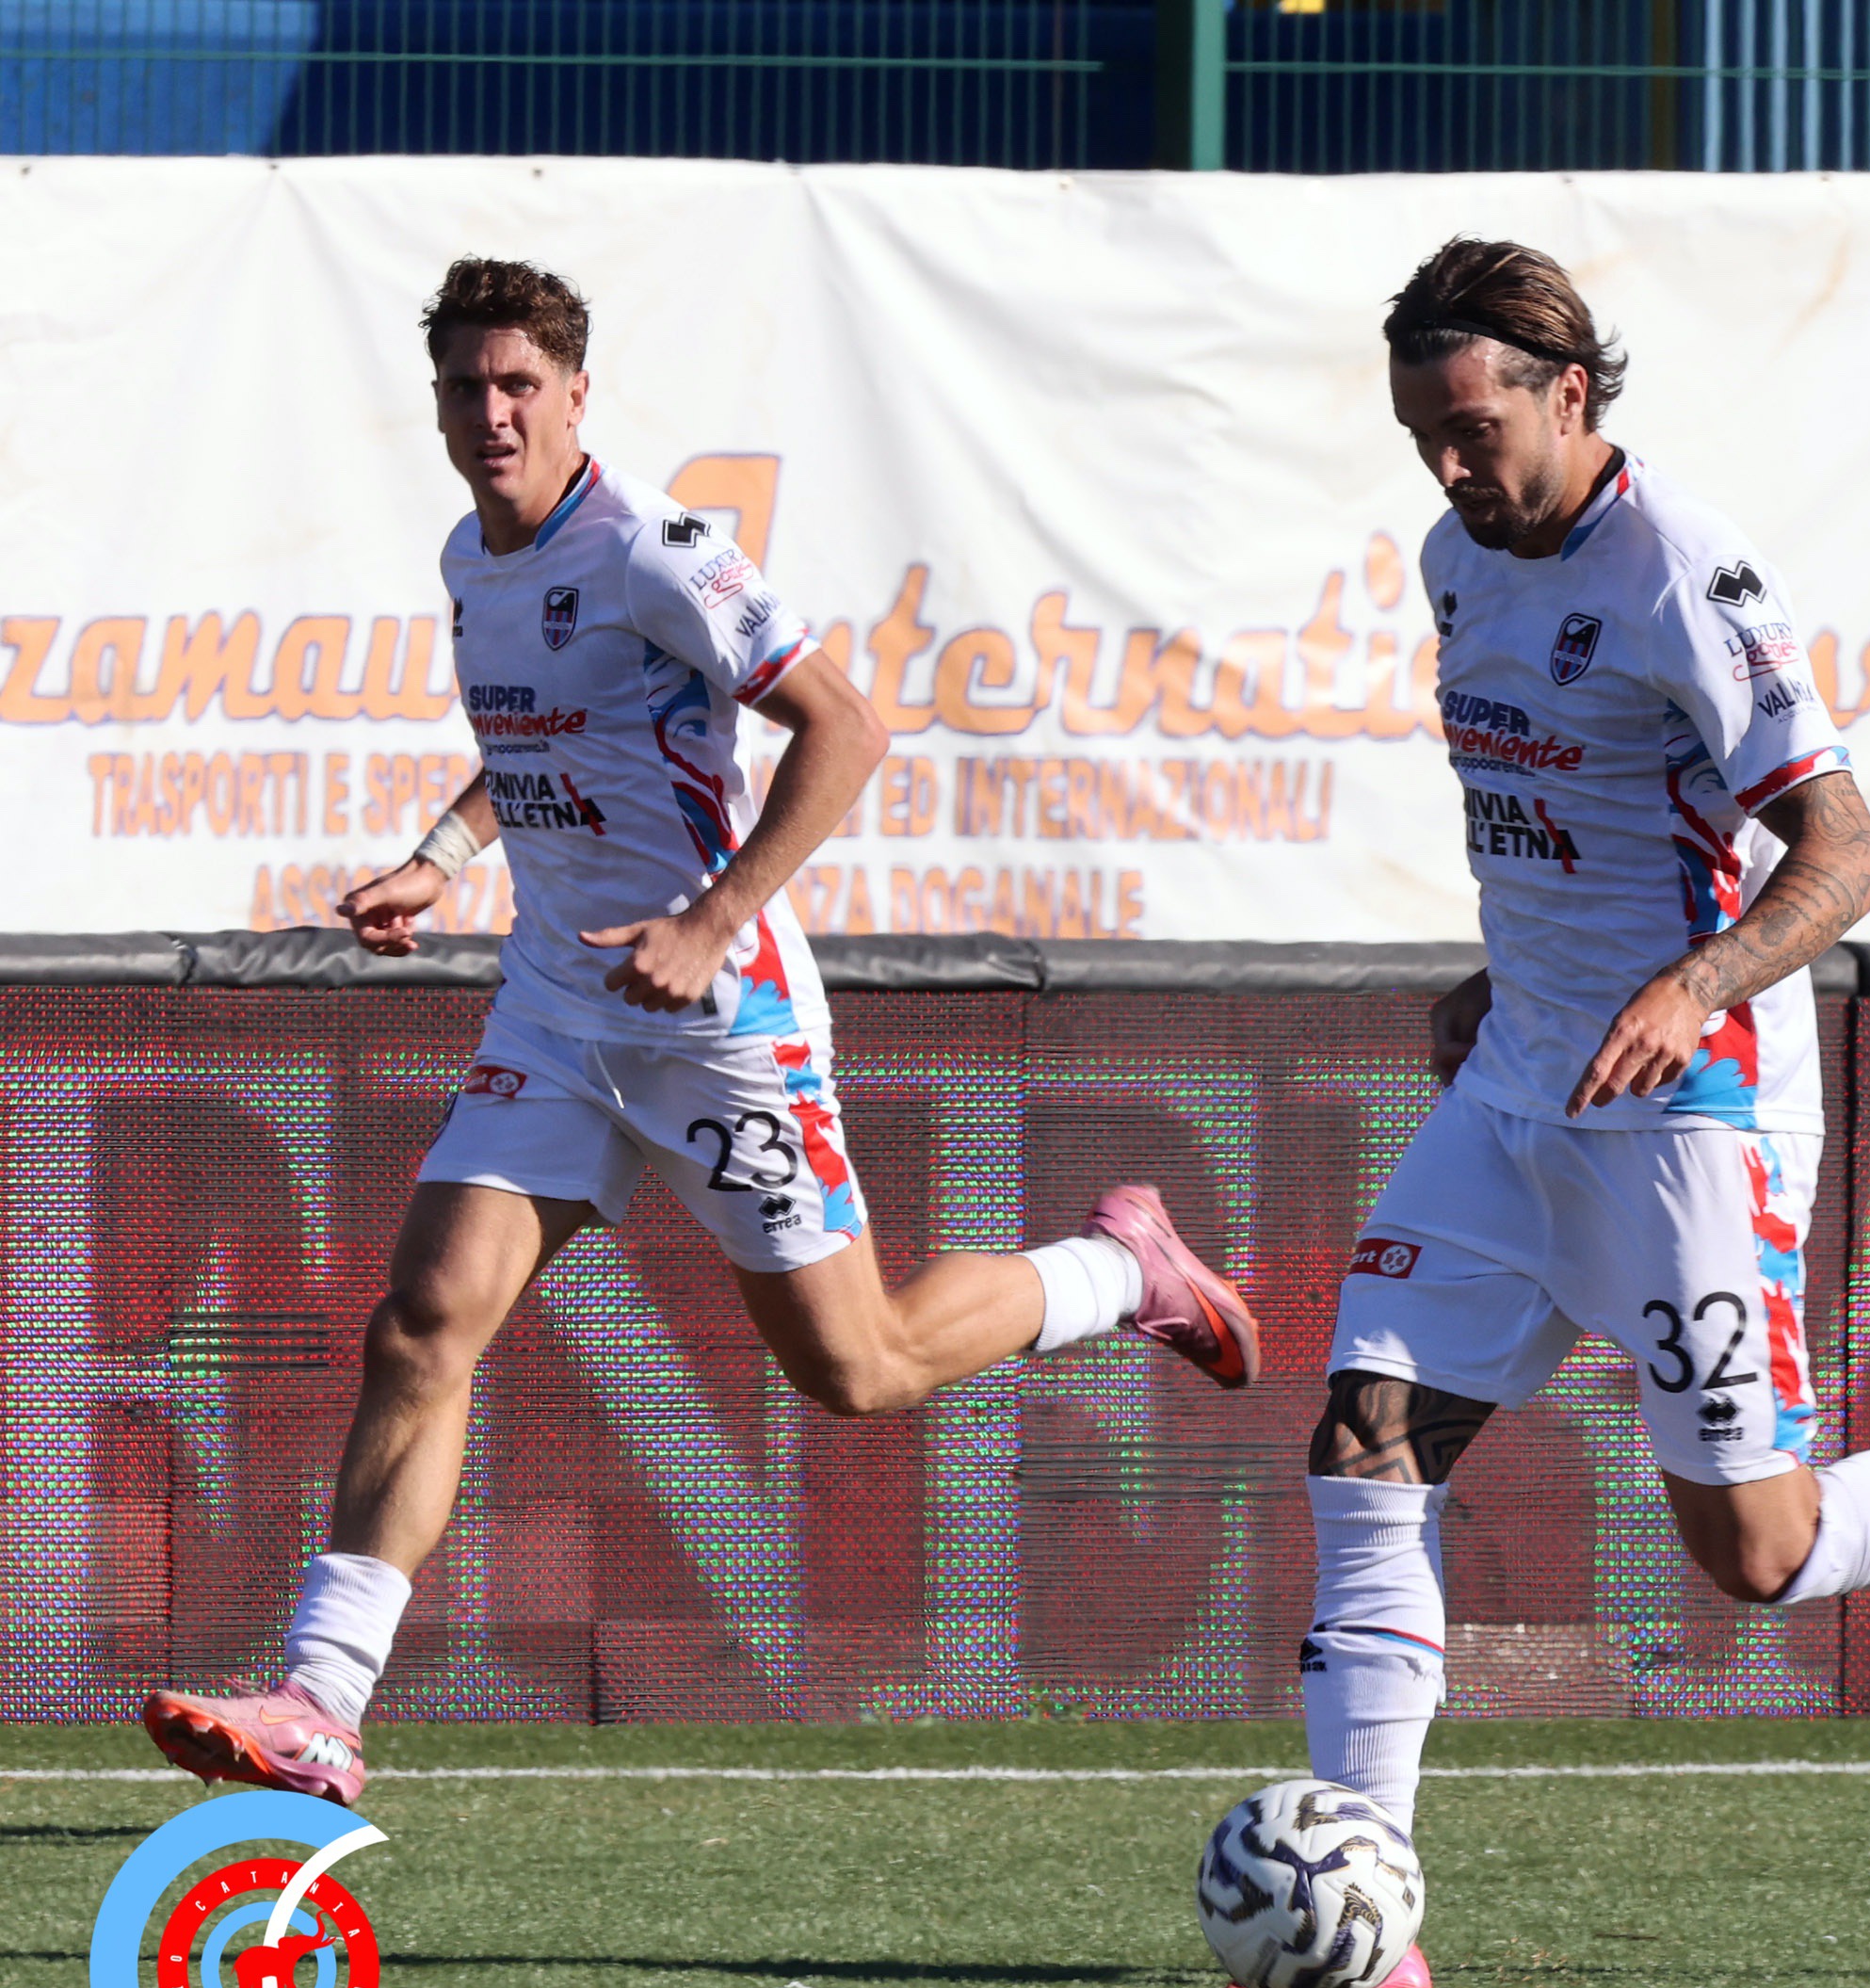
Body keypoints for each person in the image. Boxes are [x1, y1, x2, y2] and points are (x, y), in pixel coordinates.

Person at [1154, 238, 1870, 1988]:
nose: (1447, 465)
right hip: (1520, 1090)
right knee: (1366, 1445)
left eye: (1473, 426)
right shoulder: (1458, 555)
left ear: (1570, 391)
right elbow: (1582, 819)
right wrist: (1505, 975)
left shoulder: (1685, 570)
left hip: (1693, 1112)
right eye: (1422, 433)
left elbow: (1846, 854)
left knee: (1757, 1550)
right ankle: (1373, 1931)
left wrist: (1691, 983)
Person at [138, 258, 1257, 1805]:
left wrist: (714, 919)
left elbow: (849, 725)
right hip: (558, 1006)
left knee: (857, 1367)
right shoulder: (472, 555)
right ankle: (321, 1703)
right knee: (425, 1320)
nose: (491, 413)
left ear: (576, 395)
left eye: (519, 385)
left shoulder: (657, 551)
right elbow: (541, 738)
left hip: (718, 1020)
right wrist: (441, 858)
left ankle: (1121, 1268)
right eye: (466, 386)